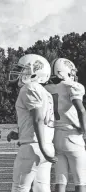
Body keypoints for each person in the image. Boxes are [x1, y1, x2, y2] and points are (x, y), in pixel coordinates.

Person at [8, 54, 57, 192]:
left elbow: (38, 118)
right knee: (42, 189)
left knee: (19, 188)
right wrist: (19, 134)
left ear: (34, 72)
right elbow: (41, 121)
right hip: (45, 144)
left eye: (22, 69)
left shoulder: (28, 88)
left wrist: (40, 146)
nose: (19, 72)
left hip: (33, 147)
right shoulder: (45, 92)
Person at [44, 58, 86, 192]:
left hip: (56, 137)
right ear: (65, 71)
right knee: (80, 181)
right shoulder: (71, 86)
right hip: (73, 136)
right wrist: (84, 131)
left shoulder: (47, 89)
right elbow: (81, 110)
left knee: (60, 181)